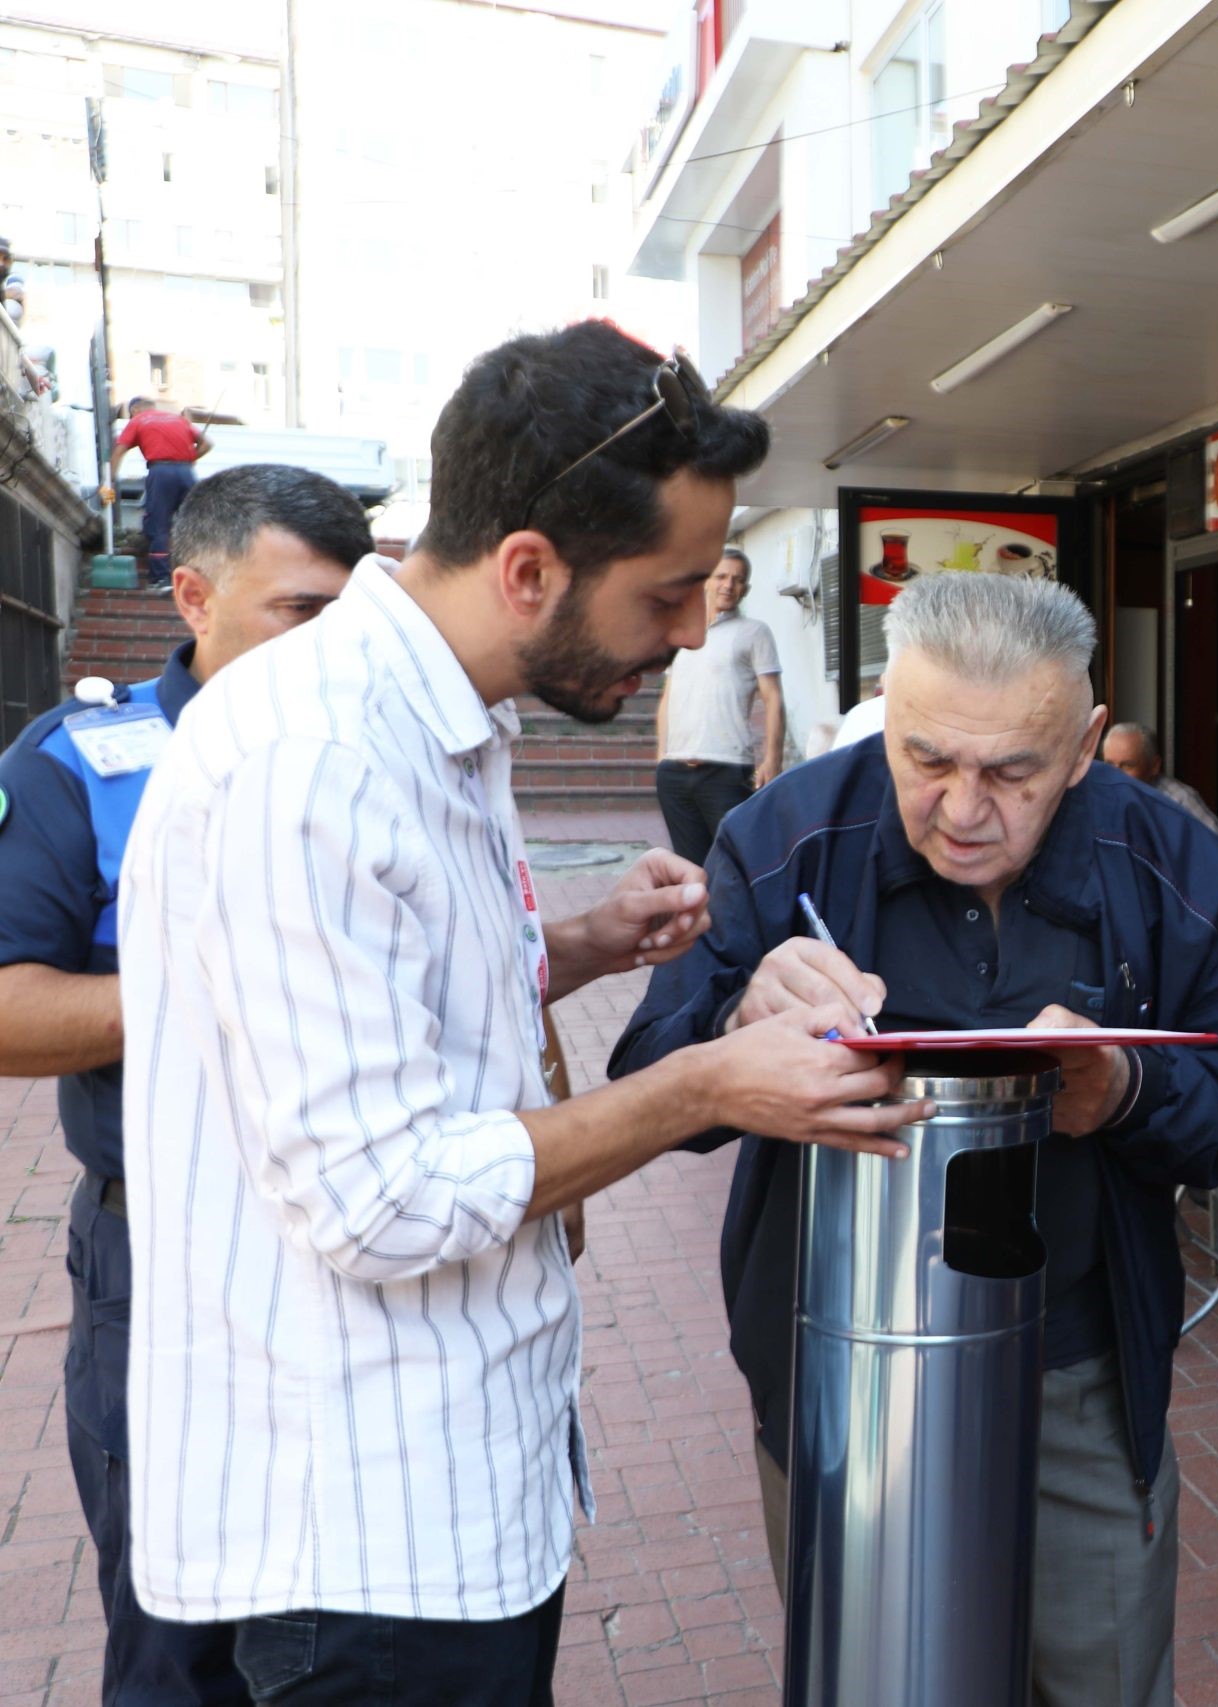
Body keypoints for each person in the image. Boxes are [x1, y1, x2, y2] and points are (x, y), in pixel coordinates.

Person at [116, 323, 927, 1704]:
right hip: (360, 1543)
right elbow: (377, 1194)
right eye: (670, 596)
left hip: (454, 1487)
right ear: (530, 567)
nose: (688, 640)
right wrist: (708, 1084)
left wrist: (580, 941)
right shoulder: (310, 759)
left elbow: (390, 994)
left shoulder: (444, 717)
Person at [610, 572, 1218, 1707]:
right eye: (926, 758)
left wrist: (1125, 1093)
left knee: (1103, 1682)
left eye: (1011, 774)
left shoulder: (1177, 869)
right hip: (834, 1370)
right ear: (889, 706)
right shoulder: (786, 836)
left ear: (1082, 748)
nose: (963, 809)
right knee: (874, 1677)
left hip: (1077, 1369)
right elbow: (648, 1068)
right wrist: (739, 1025)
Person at [0, 465, 370, 1705]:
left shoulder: (377, 755)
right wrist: (215, 1000)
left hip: (355, 1246)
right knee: (177, 1634)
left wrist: (583, 948)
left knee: (349, 1619)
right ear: (196, 595)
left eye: (349, 613)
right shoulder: (86, 767)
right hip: (160, 1260)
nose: (333, 645)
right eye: (298, 613)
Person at [655, 543, 784, 864]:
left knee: (739, 862)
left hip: (726, 770)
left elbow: (773, 698)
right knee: (689, 868)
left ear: (746, 589)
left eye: (738, 579)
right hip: (675, 771)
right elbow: (668, 697)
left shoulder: (754, 632)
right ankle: (703, 917)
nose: (728, 584)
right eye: (722, 576)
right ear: (706, 580)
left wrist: (772, 759)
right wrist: (662, 756)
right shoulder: (683, 632)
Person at [103, 394, 212, 589]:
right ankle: (200, 574)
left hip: (161, 472)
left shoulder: (138, 420)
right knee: (192, 522)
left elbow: (119, 452)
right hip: (187, 473)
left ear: (135, 410)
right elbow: (207, 444)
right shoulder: (179, 420)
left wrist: (108, 481)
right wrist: (190, 458)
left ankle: (161, 579)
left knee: (158, 524)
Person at [1100, 720, 1218, 860]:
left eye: (1128, 765)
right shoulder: (1096, 795)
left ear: (1154, 766)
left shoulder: (1178, 799)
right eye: (1109, 764)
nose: (1116, 774)